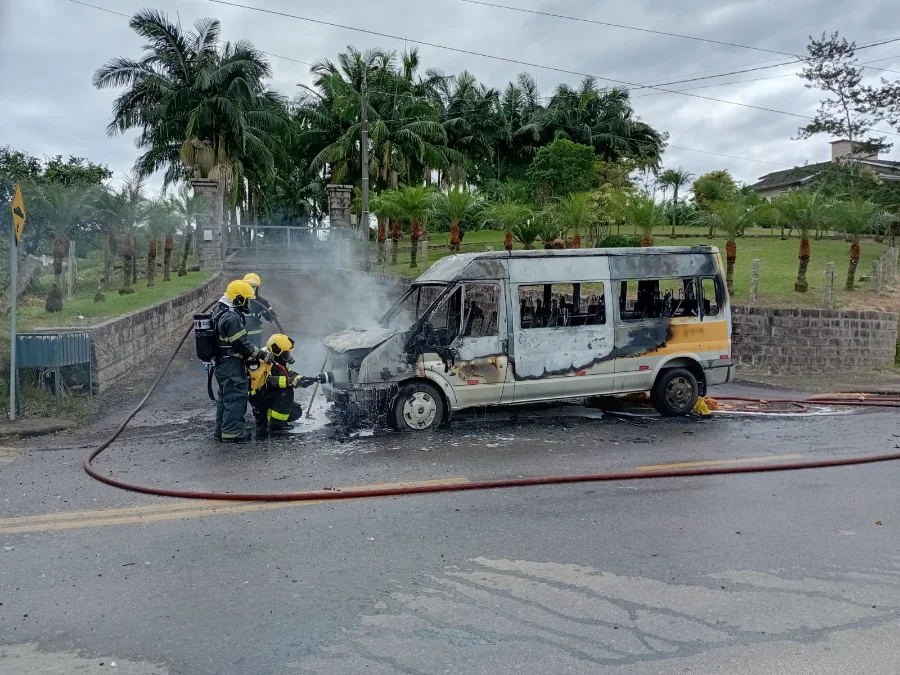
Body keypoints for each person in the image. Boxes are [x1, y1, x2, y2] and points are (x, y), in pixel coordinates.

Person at [213, 279, 273, 443]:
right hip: (231, 363)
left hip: (222, 362)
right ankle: (232, 433)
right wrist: (261, 354)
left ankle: (222, 430)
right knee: (236, 396)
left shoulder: (220, 311)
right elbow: (242, 345)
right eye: (246, 300)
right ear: (239, 299)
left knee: (225, 396)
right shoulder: (232, 318)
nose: (247, 304)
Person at [248, 334, 316, 433]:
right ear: (276, 350)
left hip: (266, 395)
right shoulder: (260, 360)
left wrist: (302, 379)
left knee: (295, 412)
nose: (288, 355)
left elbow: (288, 373)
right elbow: (266, 381)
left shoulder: (276, 358)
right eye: (285, 353)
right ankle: (276, 425)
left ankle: (267, 418)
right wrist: (290, 381)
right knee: (287, 390)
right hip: (258, 397)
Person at [243, 273, 278, 347]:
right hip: (240, 334)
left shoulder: (261, 302)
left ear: (258, 288)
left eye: (254, 287)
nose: (251, 289)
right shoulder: (237, 300)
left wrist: (270, 314)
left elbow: (270, 316)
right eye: (249, 286)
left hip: (255, 335)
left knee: (255, 354)